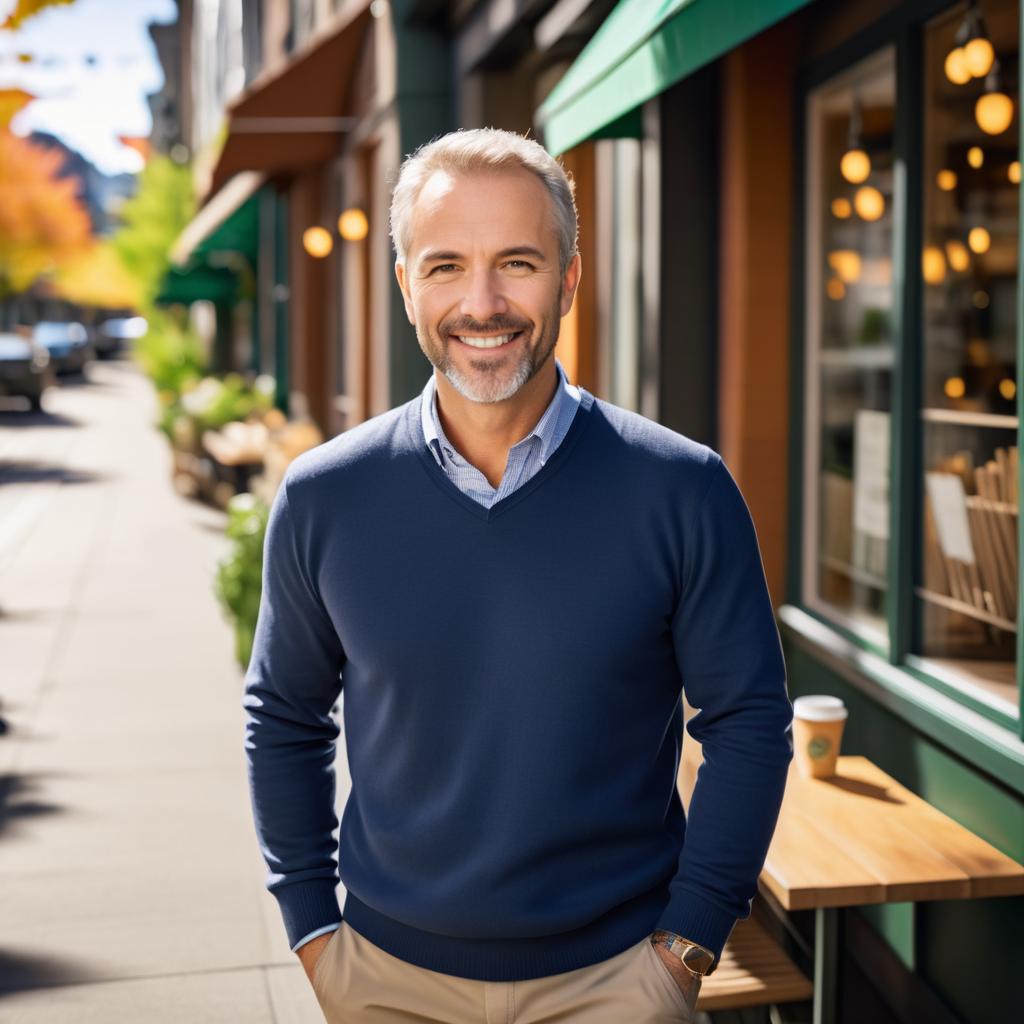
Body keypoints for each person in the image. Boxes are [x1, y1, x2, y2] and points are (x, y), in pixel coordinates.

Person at [242, 127, 794, 1023]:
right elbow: (284, 715)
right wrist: (311, 927)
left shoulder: (683, 488)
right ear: (406, 285)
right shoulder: (324, 497)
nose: (483, 302)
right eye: (446, 265)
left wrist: (688, 945)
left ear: (570, 280)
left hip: (617, 981)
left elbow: (748, 719)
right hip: (385, 980)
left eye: (519, 263)